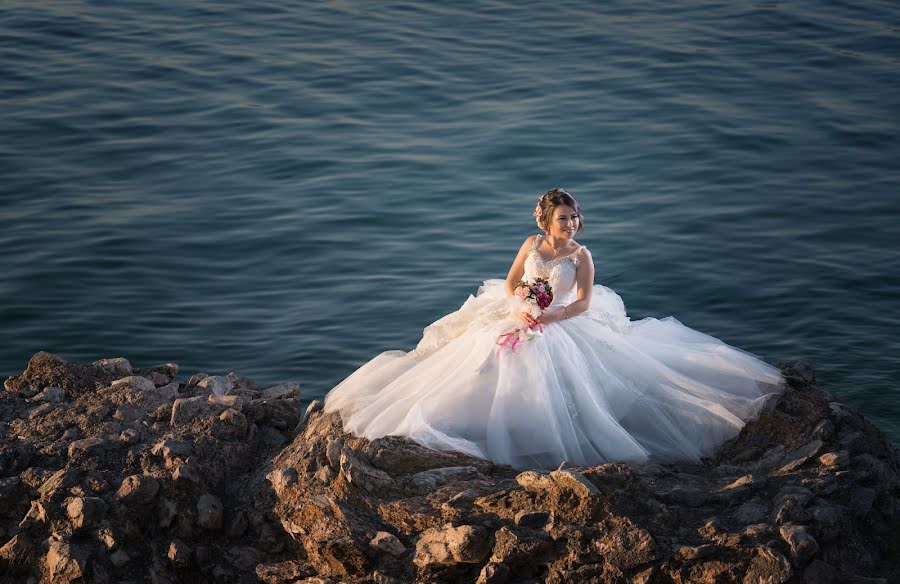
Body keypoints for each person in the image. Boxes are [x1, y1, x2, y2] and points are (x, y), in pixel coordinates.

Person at [323, 187, 786, 470]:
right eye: (564, 217)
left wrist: (548, 315)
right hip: (520, 312)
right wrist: (521, 304)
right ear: (546, 221)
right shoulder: (530, 243)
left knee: (559, 376)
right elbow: (509, 281)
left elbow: (583, 301)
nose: (572, 223)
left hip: (560, 320)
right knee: (480, 360)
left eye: (575, 216)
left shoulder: (581, 257)